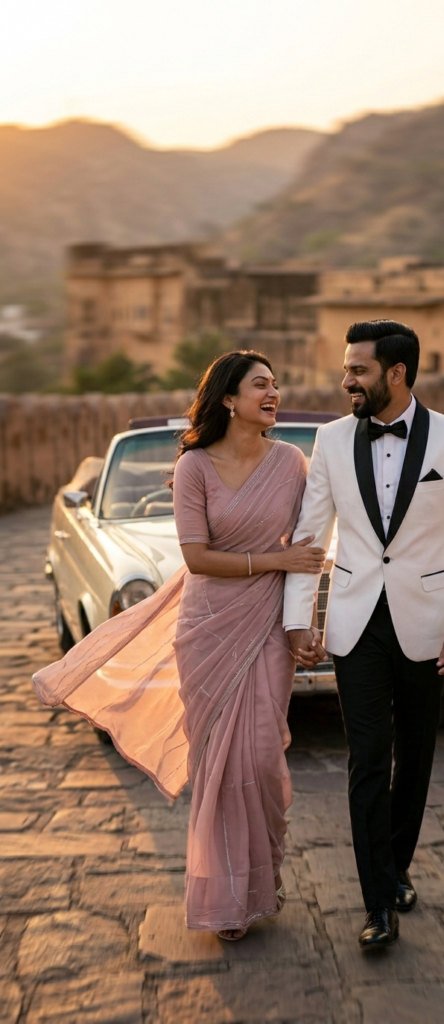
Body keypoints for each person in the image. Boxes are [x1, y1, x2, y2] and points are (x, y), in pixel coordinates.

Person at [33, 350, 325, 942]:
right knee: (219, 765)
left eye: (275, 384)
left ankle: (261, 878)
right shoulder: (194, 466)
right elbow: (197, 557)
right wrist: (276, 560)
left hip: (266, 624)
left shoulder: (292, 462)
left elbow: (309, 548)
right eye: (260, 385)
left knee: (260, 756)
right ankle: (229, 900)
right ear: (228, 398)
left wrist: (304, 621)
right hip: (209, 625)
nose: (273, 393)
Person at [283, 320, 444, 951]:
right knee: (368, 760)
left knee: (417, 756)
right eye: (346, 368)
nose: (346, 380)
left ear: (396, 374)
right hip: (355, 623)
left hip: (429, 622)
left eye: (359, 370)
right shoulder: (329, 440)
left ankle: (396, 866)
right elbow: (310, 536)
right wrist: (299, 619)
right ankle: (377, 902)